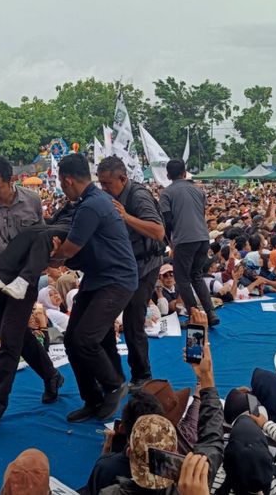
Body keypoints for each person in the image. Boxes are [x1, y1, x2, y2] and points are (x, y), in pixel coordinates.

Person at [0, 154, 61, 422]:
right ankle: (51, 375)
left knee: (9, 337)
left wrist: (42, 259)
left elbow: (41, 237)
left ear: (11, 181)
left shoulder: (32, 200)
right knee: (16, 333)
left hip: (25, 279)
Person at [51, 153, 138, 423]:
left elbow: (68, 250)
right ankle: (92, 398)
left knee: (85, 339)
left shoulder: (91, 205)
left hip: (116, 279)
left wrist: (49, 256)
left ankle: (113, 384)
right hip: (98, 278)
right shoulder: (90, 202)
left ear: (67, 180)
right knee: (73, 339)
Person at [97, 156, 165, 390]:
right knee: (103, 318)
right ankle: (112, 374)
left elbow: (157, 231)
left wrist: (126, 217)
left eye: (107, 184)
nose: (104, 189)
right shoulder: (108, 198)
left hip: (145, 265)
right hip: (121, 267)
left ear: (123, 179)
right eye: (100, 184)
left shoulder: (138, 196)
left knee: (133, 319)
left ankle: (142, 374)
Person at [159, 159, 219, 327]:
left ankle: (194, 315)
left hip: (184, 239)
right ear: (185, 173)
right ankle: (210, 313)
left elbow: (168, 220)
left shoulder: (166, 193)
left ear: (168, 175)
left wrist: (170, 242)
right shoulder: (198, 191)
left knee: (182, 278)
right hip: (203, 237)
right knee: (196, 275)